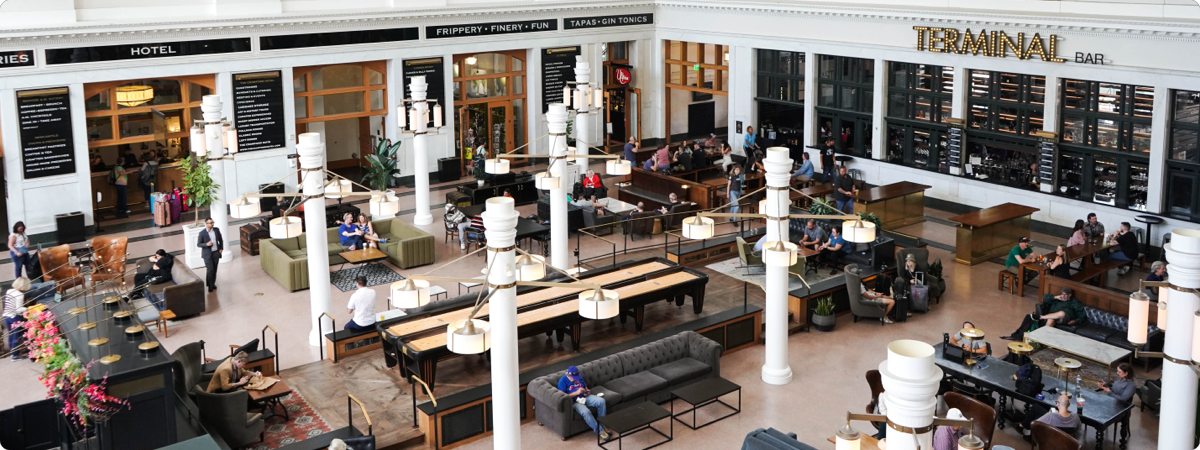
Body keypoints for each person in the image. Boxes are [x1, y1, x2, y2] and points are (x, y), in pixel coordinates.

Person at [1003, 287, 1087, 340]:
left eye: (1066, 295)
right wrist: (1055, 297)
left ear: (1070, 295)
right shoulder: (1057, 298)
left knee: (1061, 313)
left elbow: (1082, 314)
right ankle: (1042, 339)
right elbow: (1045, 297)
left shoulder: (1074, 302)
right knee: (1050, 321)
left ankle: (1041, 317)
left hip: (1065, 317)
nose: (1063, 296)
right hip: (1053, 315)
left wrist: (1075, 321)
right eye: (1062, 294)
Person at [557, 366, 612, 440]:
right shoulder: (562, 382)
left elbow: (585, 388)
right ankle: (600, 430)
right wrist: (576, 393)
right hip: (574, 402)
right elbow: (562, 397)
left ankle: (602, 425)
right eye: (574, 377)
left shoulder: (579, 377)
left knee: (601, 401)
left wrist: (587, 392)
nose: (576, 379)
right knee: (586, 412)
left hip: (584, 397)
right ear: (568, 375)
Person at [3, 277, 30, 360]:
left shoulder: (9, 291)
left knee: (11, 335)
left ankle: (13, 353)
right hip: (14, 317)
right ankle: (15, 355)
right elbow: (18, 309)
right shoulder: (20, 295)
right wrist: (27, 308)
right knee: (16, 336)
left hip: (6, 316)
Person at [197, 217, 224, 292]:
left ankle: (213, 283)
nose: (212, 224)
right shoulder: (202, 233)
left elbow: (221, 239)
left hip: (216, 252)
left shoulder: (216, 230)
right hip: (207, 254)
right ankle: (209, 285)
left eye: (212, 222)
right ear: (206, 224)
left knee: (214, 269)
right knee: (210, 269)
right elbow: (198, 244)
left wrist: (221, 248)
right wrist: (206, 244)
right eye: (210, 223)